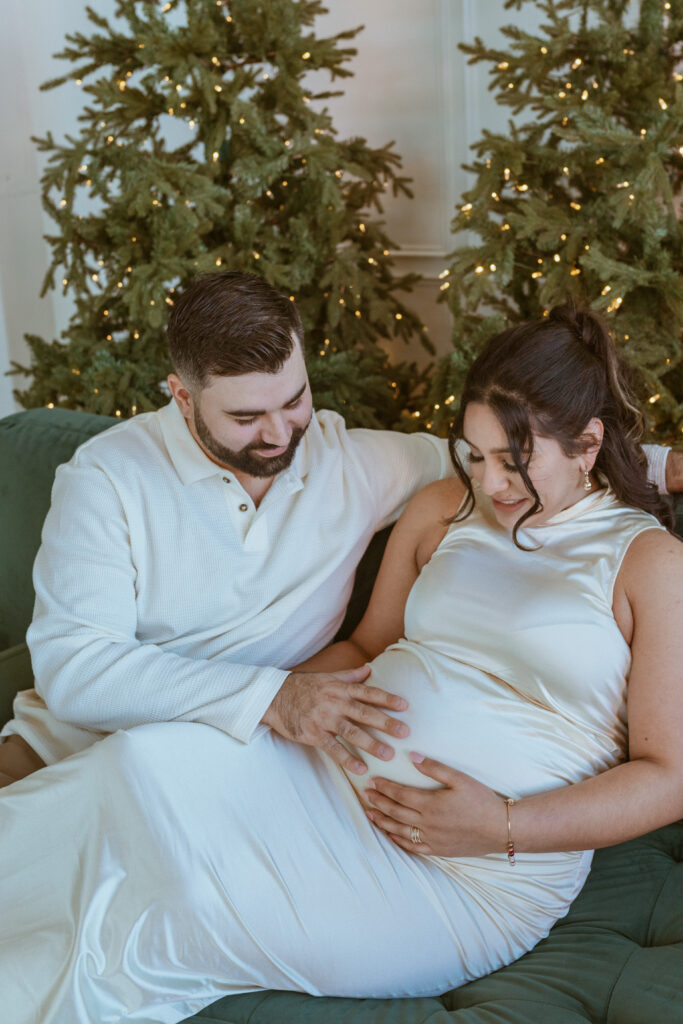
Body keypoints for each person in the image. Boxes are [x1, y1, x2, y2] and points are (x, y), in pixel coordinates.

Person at [0, 299, 681, 1024]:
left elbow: (668, 775)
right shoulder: (445, 505)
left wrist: (502, 825)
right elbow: (364, 647)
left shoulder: (647, 565)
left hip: (467, 868)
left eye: (514, 463)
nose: (492, 484)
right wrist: (283, 707)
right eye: (476, 455)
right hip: (316, 775)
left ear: (586, 445)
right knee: (140, 768)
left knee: (173, 905)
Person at [0, 272, 678, 788]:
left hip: (232, 762)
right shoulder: (108, 476)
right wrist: (273, 696)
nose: (277, 433)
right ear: (181, 395)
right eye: (244, 418)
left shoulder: (349, 460)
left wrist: (656, 463)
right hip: (65, 753)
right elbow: (77, 672)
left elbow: (508, 456)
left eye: (293, 400)